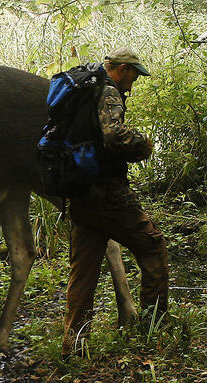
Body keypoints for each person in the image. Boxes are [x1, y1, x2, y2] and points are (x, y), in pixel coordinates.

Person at [62, 47, 169, 358]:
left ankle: (75, 345)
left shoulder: (83, 87)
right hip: (108, 195)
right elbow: (113, 135)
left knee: (83, 270)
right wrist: (143, 144)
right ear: (122, 69)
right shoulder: (108, 91)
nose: (134, 82)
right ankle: (153, 328)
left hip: (81, 193)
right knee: (152, 246)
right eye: (134, 74)